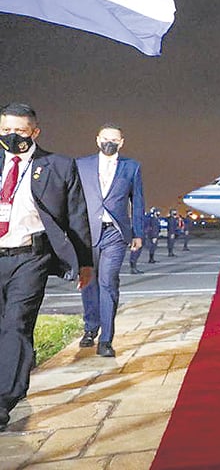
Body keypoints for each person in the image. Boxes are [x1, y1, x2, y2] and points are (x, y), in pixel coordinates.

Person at [0, 103, 93, 431]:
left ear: (35, 132)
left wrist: (84, 262)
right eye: (6, 130)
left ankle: (2, 400)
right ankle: (17, 375)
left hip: (30, 257)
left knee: (15, 323)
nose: (12, 136)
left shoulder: (58, 165)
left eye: (20, 131)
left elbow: (76, 214)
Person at [76, 124, 145, 357]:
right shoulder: (81, 165)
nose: (109, 143)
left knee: (108, 281)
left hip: (115, 233)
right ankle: (90, 327)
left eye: (114, 140)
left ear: (121, 142)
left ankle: (106, 339)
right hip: (86, 232)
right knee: (88, 280)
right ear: (97, 140)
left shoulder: (131, 167)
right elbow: (72, 199)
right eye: (105, 139)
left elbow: (138, 201)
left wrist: (138, 232)